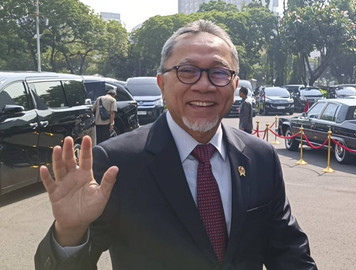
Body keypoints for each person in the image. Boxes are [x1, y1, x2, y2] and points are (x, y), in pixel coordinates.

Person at [35, 20, 317, 270]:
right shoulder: (116, 163)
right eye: (187, 71)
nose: (204, 85)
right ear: (162, 83)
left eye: (218, 73)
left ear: (235, 84)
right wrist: (70, 233)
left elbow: (289, 252)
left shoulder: (260, 157)